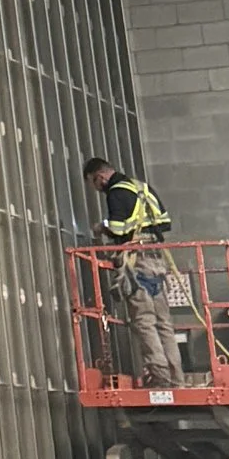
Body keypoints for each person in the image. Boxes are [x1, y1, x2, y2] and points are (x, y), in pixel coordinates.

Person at [84, 154, 187, 386]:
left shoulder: (116, 192)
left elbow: (120, 228)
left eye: (94, 183)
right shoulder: (142, 188)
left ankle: (161, 377)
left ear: (99, 177)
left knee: (144, 320)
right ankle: (176, 377)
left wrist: (103, 226)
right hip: (156, 259)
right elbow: (165, 222)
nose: (98, 188)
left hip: (136, 262)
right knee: (163, 322)